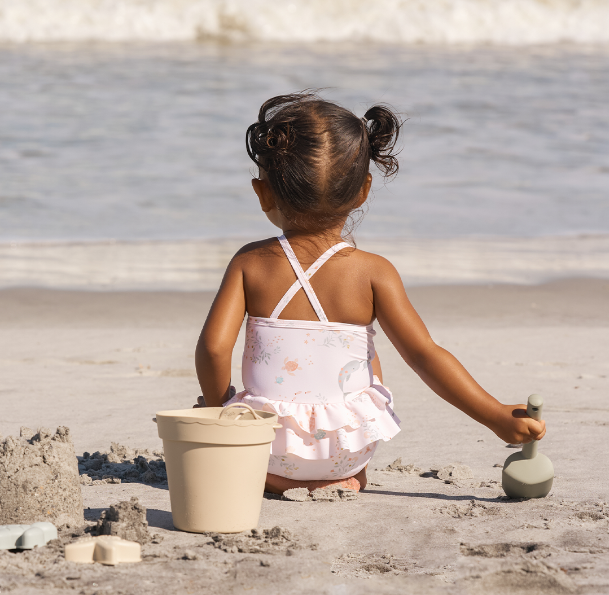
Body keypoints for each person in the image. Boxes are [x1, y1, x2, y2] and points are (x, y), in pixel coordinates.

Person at [194, 91, 546, 495]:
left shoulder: (249, 262)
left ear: (263, 193)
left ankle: (275, 476)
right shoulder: (374, 272)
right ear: (363, 191)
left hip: (267, 447)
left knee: (299, 373)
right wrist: (495, 415)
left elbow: (214, 349)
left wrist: (218, 412)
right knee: (364, 346)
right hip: (348, 448)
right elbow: (424, 355)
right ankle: (343, 473)